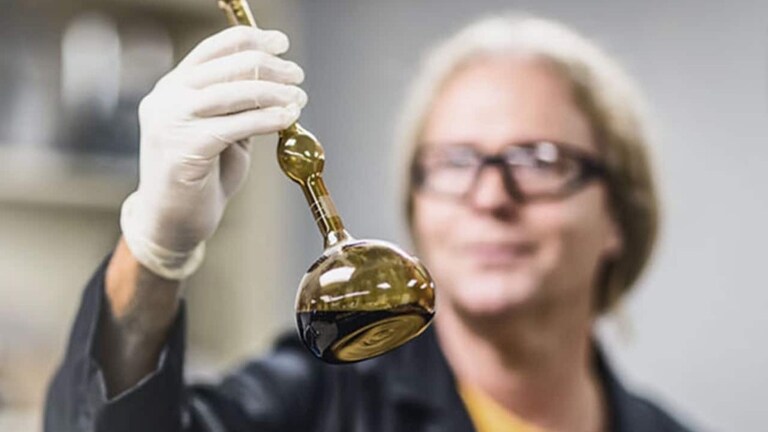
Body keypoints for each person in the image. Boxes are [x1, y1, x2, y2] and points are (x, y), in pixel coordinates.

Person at [45, 13, 695, 432]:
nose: (491, 196)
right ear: (418, 209)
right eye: (455, 161)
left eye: (539, 160)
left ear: (619, 214)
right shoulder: (318, 403)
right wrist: (156, 251)